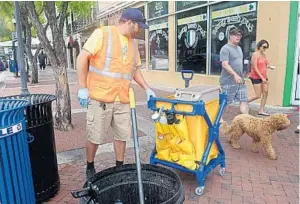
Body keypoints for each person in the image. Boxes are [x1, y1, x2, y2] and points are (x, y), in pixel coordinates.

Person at [76, 8, 156, 179]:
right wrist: (82, 88)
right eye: (138, 26)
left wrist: (147, 88)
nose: (140, 30)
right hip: (100, 98)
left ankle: (119, 166)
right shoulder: (103, 34)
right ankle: (90, 166)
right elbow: (82, 58)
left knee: (122, 135)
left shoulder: (133, 43)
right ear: (129, 22)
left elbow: (134, 70)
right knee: (95, 136)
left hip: (122, 98)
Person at [219, 28, 249, 116]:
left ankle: (246, 120)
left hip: (240, 81)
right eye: (236, 35)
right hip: (228, 81)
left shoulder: (239, 48)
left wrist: (245, 72)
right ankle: (219, 121)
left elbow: (239, 63)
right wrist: (235, 75)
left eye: (240, 35)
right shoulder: (225, 49)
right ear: (230, 36)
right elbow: (224, 64)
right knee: (224, 103)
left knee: (244, 100)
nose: (238, 37)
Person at [248, 40, 275, 116]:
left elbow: (267, 64)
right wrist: (261, 77)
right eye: (264, 47)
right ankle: (244, 102)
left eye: (266, 47)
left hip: (264, 76)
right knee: (257, 95)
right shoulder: (255, 55)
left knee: (265, 93)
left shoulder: (264, 55)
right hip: (256, 77)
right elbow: (255, 68)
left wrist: (270, 67)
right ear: (259, 46)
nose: (265, 49)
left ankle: (261, 110)